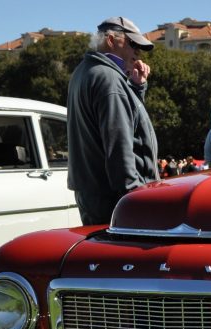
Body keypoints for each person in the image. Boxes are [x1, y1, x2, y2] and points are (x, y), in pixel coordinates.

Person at [67, 16, 159, 226]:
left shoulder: (84, 72)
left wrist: (136, 87)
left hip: (95, 194)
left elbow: (123, 123)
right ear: (110, 40)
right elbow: (118, 144)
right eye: (132, 43)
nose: (138, 52)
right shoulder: (109, 78)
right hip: (115, 198)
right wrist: (133, 195)